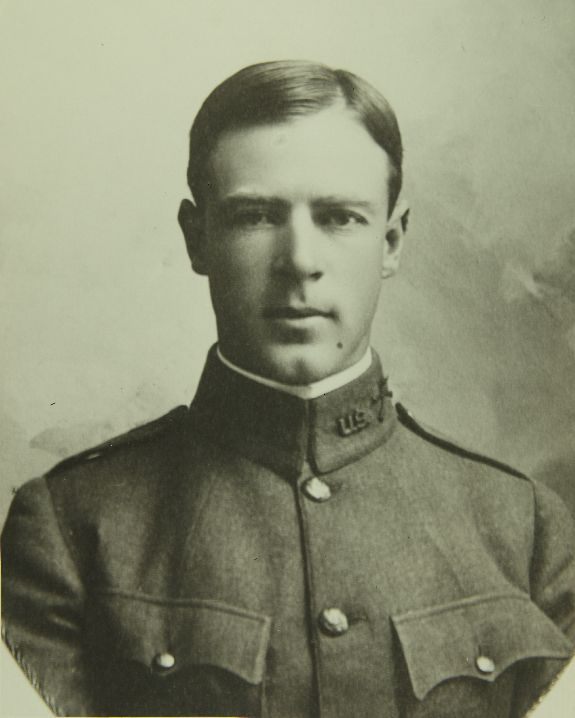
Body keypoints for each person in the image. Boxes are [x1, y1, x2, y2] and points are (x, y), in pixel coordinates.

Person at [2, 60, 574, 718]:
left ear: (390, 242)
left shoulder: (519, 526)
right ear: (197, 239)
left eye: (338, 218)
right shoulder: (75, 526)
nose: (299, 260)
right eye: (254, 216)